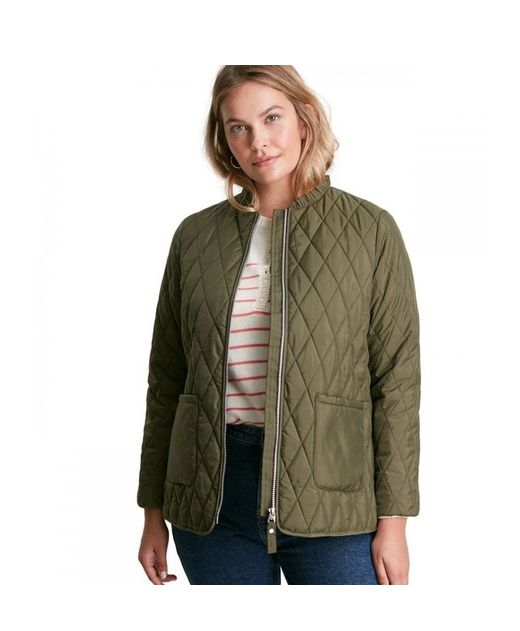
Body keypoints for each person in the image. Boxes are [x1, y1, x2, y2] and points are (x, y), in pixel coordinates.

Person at [137, 65, 421, 585]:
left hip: (333, 496)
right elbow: (167, 381)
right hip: (212, 496)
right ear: (223, 139)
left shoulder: (370, 230)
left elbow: (396, 384)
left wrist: (395, 521)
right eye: (238, 127)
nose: (258, 141)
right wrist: (152, 510)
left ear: (304, 118)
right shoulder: (194, 237)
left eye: (272, 118)